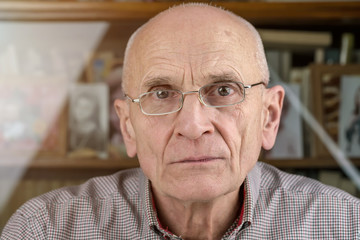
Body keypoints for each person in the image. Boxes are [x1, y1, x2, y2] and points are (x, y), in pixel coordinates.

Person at [1, 4, 359, 239]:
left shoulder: (345, 225)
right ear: (128, 127)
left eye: (223, 89)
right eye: (161, 94)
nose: (193, 124)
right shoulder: (44, 228)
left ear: (270, 116)